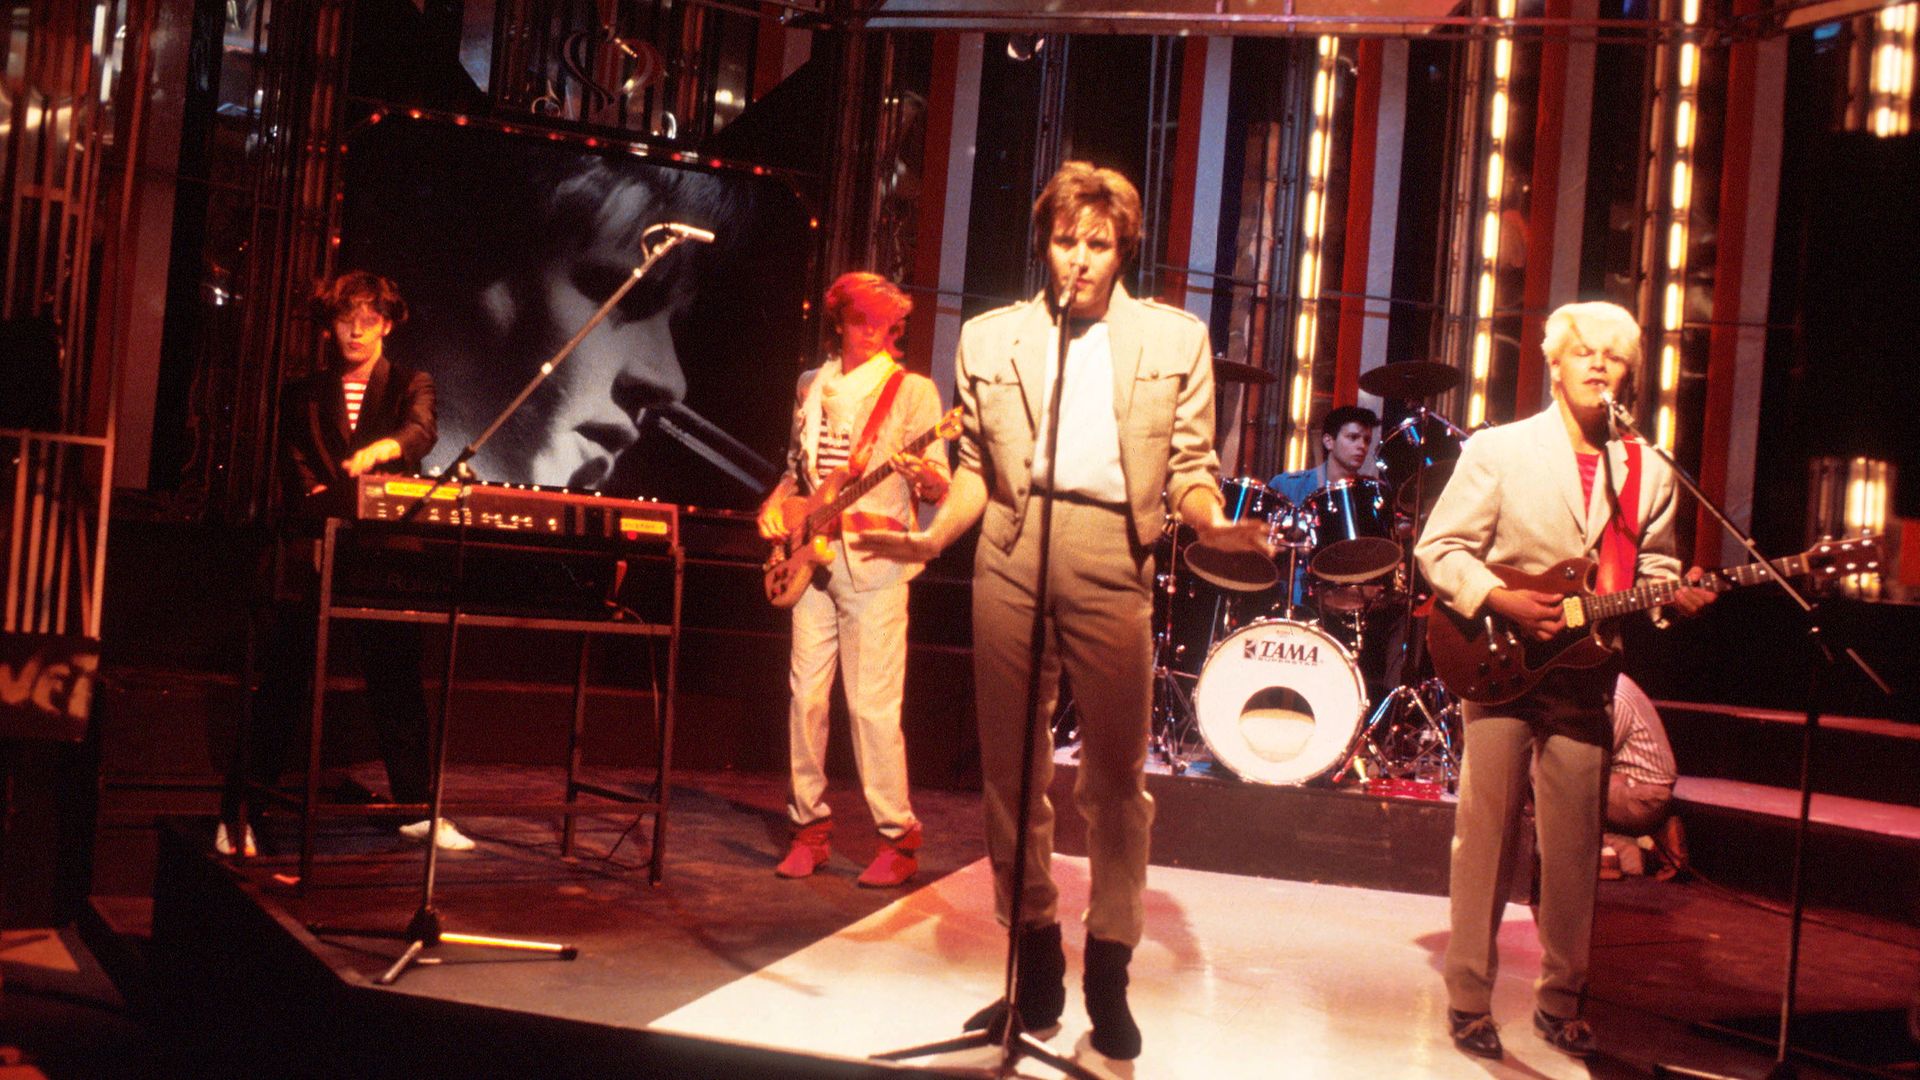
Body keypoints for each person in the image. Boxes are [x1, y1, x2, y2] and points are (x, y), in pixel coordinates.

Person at [857, 162, 1270, 1061]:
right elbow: (974, 469)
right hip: (1009, 546)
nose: (1076, 260)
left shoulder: (1174, 340)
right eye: (1063, 240)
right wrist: (933, 542)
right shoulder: (992, 339)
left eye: (1096, 243)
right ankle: (1032, 965)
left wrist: (1217, 524)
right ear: (1044, 243)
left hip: (1112, 551)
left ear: (1123, 249)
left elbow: (1192, 471)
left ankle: (1110, 972)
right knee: (1010, 770)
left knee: (1115, 780)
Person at [1414, 301, 1715, 1060]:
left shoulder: (1649, 467)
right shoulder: (1501, 449)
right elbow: (1439, 549)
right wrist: (1501, 597)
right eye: (1582, 352)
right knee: (1484, 838)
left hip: (1588, 675)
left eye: (1612, 357)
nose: (1596, 366)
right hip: (1499, 661)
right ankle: (1469, 1002)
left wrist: (1674, 599)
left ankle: (1560, 1000)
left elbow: (1657, 571)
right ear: (1554, 364)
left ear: (1629, 375)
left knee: (1576, 850)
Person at [219, 271, 474, 857]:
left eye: (367, 319)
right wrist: (323, 498)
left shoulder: (412, 382)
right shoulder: (301, 393)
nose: (355, 331)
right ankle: (240, 813)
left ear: (386, 323)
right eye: (344, 319)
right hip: (318, 549)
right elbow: (295, 468)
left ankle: (416, 808)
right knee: (284, 681)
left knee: (398, 684)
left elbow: (421, 430)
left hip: (387, 556)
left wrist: (386, 448)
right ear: (328, 326)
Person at [755, 272, 950, 889]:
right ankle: (808, 830)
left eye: (885, 324)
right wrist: (778, 503)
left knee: (870, 705)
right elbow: (797, 468)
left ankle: (896, 837)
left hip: (875, 561)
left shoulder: (912, 391)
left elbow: (938, 480)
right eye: (862, 320)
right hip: (810, 556)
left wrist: (926, 478)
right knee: (805, 699)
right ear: (839, 320)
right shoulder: (811, 385)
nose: (875, 334)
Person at [1268, 405, 1380, 612]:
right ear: (1329, 441)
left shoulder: (1370, 496)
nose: (1361, 446)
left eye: (1366, 440)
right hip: (1291, 599)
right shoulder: (1288, 486)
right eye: (1353, 437)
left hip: (1349, 602)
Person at [1604, 673, 1683, 878]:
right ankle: (1648, 844)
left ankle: (1637, 856)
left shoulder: (1615, 695)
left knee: (1568, 788)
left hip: (1644, 797)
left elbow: (1599, 756)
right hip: (1638, 787)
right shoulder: (1612, 683)